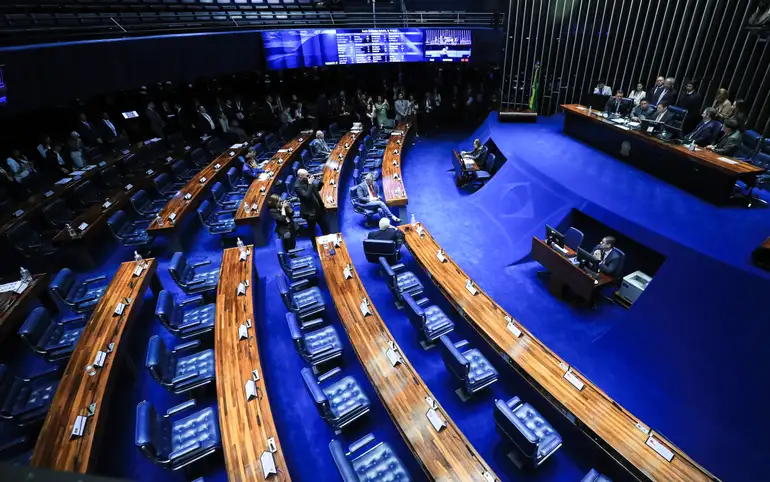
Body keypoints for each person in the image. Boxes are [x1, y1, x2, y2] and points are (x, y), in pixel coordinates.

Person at [294, 169, 328, 244]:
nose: (308, 176)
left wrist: (320, 182)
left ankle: (329, 242)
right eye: (306, 175)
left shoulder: (307, 180)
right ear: (301, 176)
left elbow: (316, 189)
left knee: (325, 227)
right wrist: (310, 184)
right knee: (312, 231)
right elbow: (307, 196)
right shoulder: (297, 186)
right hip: (310, 213)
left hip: (319, 209)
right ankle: (315, 246)